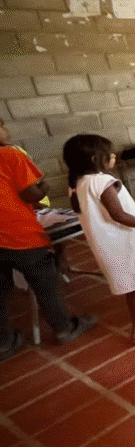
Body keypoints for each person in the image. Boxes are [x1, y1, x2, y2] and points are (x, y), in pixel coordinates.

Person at [0, 120, 95, 359]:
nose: (7, 131)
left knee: (0, 291)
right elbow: (30, 194)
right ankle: (64, 328)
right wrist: (44, 187)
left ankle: (4, 342)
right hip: (18, 233)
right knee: (45, 282)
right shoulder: (11, 155)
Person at [63, 134, 135, 344]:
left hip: (110, 243)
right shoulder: (102, 180)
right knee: (133, 285)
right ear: (95, 159)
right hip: (121, 239)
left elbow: (110, 202)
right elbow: (118, 214)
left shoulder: (78, 183)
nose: (113, 157)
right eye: (108, 154)